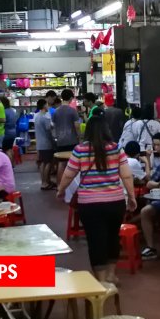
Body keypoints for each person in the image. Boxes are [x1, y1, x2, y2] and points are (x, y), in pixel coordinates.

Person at [57, 114, 136, 283]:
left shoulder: (80, 150)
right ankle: (111, 274)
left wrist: (60, 190)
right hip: (115, 201)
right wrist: (132, 197)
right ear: (106, 130)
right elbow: (127, 176)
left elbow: (68, 175)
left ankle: (101, 279)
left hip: (90, 204)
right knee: (113, 237)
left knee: (95, 240)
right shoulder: (116, 149)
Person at [52, 88, 82, 173]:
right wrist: (79, 137)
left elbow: (52, 126)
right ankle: (70, 184)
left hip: (60, 140)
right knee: (73, 164)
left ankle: (59, 184)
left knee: (61, 164)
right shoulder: (73, 111)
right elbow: (77, 126)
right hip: (72, 140)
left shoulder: (56, 111)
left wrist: (55, 137)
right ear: (70, 98)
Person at [34, 97, 57, 190]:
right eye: (47, 104)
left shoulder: (37, 116)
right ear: (44, 105)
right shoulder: (45, 117)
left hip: (40, 143)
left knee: (43, 163)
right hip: (46, 143)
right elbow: (49, 130)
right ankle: (45, 182)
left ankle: (44, 181)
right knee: (48, 163)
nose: (48, 106)